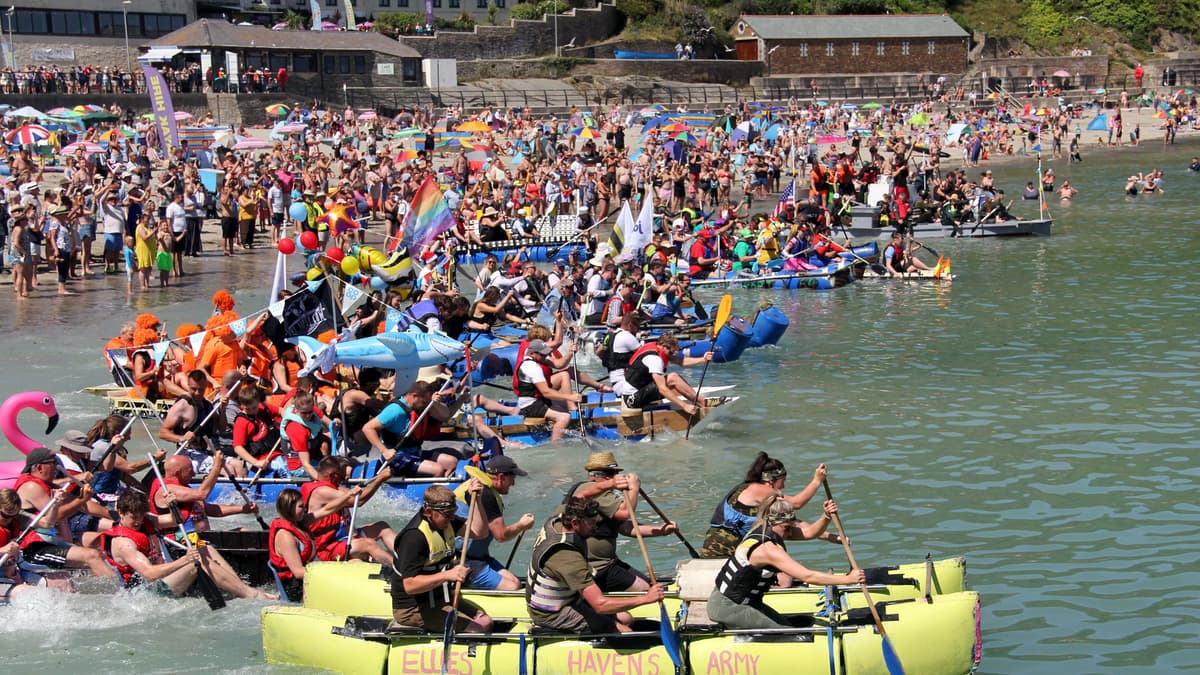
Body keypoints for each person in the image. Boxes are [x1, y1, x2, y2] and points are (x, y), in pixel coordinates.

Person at [707, 492, 864, 629]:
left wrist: (826, 517)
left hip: (746, 602)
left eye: (791, 527)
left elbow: (809, 532)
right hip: (726, 606)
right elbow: (807, 576)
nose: (789, 533)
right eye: (786, 528)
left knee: (788, 624)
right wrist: (847, 580)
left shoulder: (764, 527)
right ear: (773, 523)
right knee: (785, 631)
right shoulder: (768, 549)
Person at [526, 496, 665, 634]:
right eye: (591, 523)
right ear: (575, 523)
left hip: (570, 598)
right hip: (552, 613)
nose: (596, 527)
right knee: (625, 631)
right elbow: (600, 605)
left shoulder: (557, 520)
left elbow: (581, 495)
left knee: (626, 618)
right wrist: (646, 598)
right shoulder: (568, 559)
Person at [100, 490, 273, 599]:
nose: (138, 521)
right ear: (121, 513)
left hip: (164, 580)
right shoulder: (123, 543)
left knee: (204, 547)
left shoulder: (145, 520)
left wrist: (172, 505)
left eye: (140, 516)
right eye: (133, 517)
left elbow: (176, 519)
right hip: (147, 594)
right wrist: (184, 560)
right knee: (194, 563)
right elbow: (150, 574)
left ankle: (243, 590)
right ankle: (253, 595)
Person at [558, 452, 678, 592]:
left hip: (609, 563)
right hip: (596, 568)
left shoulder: (600, 494)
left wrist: (662, 530)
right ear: (605, 476)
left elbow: (626, 528)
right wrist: (634, 488)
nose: (616, 478)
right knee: (645, 588)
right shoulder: (594, 491)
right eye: (613, 474)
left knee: (649, 584)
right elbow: (625, 514)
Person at [390, 485, 494, 633]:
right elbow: (410, 585)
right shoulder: (414, 538)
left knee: (485, 621)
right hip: (412, 609)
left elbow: (480, 532)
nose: (452, 518)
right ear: (428, 512)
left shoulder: (446, 522)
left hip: (441, 599)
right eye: (447, 514)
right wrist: (447, 575)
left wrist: (476, 500)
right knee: (477, 629)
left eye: (454, 512)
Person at [701, 455, 839, 559]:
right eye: (782, 481)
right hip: (720, 551)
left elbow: (794, 522)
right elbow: (797, 503)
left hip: (737, 551)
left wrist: (830, 536)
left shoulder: (767, 504)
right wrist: (817, 481)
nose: (783, 487)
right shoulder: (757, 489)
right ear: (771, 480)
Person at [11, 447, 115, 578]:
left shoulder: (47, 485)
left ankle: (108, 586)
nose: (57, 467)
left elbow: (83, 505)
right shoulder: (32, 487)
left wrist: (114, 517)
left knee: (99, 550)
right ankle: (122, 594)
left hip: (50, 542)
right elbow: (57, 516)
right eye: (53, 463)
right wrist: (81, 499)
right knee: (91, 556)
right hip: (32, 549)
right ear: (39, 467)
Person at [453, 455, 535, 591]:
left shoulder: (485, 487)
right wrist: (522, 525)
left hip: (478, 556)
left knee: (515, 581)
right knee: (513, 586)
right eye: (512, 479)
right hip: (462, 560)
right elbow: (501, 536)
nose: (513, 484)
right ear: (501, 477)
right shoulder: (484, 494)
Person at [301, 456, 396, 564]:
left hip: (345, 538)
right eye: (341, 478)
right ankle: (401, 573)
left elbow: (348, 493)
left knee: (381, 527)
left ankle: (407, 558)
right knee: (368, 544)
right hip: (328, 548)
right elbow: (359, 501)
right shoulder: (321, 492)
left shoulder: (332, 489)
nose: (342, 481)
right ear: (333, 476)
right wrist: (380, 479)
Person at [360, 381, 460, 477]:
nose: (425, 405)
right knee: (437, 469)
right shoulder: (395, 410)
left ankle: (445, 485)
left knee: (452, 462)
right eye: (424, 402)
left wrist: (436, 403)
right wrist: (384, 451)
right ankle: (433, 492)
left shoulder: (419, 406)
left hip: (415, 452)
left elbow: (445, 415)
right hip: (397, 457)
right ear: (414, 396)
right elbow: (367, 428)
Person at [158, 370, 233, 475]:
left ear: (206, 387)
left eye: (201, 390)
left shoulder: (207, 405)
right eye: (193, 389)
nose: (197, 393)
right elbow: (162, 432)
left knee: (238, 466)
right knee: (228, 470)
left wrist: (223, 409)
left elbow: (222, 428)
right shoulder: (182, 405)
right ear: (188, 385)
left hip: (206, 451)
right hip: (188, 454)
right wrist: (181, 438)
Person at [620, 334, 711, 414]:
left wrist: (703, 359)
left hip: (638, 391)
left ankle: (699, 402)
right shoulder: (654, 359)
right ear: (664, 346)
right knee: (673, 378)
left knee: (678, 386)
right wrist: (684, 406)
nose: (671, 355)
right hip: (632, 399)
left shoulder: (656, 347)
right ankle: (703, 403)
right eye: (671, 352)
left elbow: (680, 362)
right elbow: (662, 389)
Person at [513, 339, 582, 442]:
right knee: (564, 417)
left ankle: (562, 430)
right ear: (532, 354)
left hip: (538, 400)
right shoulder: (531, 367)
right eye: (543, 355)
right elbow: (546, 392)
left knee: (565, 405)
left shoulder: (533, 357)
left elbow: (560, 365)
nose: (545, 357)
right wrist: (570, 397)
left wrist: (570, 353)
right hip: (530, 405)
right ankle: (556, 445)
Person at [267, 488, 315, 602]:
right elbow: (298, 572)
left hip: (306, 583)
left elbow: (327, 510)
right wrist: (330, 574)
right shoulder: (285, 536)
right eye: (301, 507)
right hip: (295, 590)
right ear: (289, 508)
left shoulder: (299, 526)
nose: (305, 509)